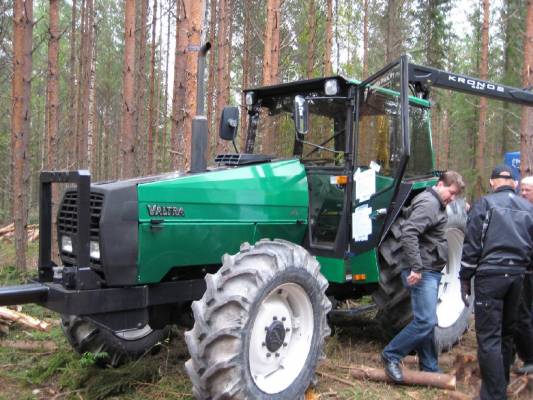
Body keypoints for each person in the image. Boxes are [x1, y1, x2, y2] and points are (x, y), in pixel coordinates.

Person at [381, 170, 465, 383]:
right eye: (451, 193)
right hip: (423, 271)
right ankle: (391, 355)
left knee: (429, 318)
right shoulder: (429, 203)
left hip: (430, 270)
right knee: (426, 321)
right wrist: (417, 268)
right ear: (440, 184)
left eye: (456, 195)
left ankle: (429, 366)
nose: (452, 198)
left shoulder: (437, 204)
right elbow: (409, 232)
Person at [460, 165, 533, 400]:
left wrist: (464, 278)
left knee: (489, 336)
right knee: (506, 333)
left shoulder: (485, 204)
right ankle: (499, 386)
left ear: (493, 183)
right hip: (518, 276)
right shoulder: (527, 207)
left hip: (491, 276)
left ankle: (493, 394)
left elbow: (472, 244)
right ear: (513, 183)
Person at [514, 175, 533, 375]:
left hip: (528, 269)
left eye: (528, 190)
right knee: (515, 313)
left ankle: (529, 357)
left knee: (524, 315)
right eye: (522, 189)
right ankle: (509, 355)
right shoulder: (519, 210)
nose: (524, 193)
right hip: (519, 268)